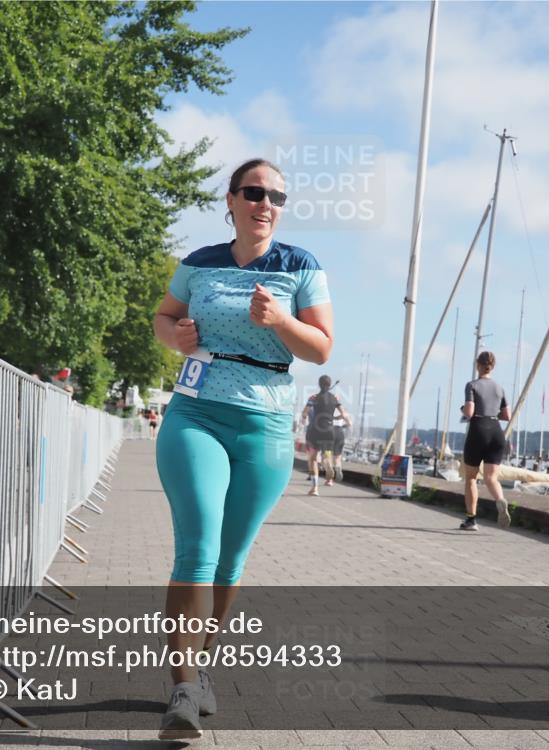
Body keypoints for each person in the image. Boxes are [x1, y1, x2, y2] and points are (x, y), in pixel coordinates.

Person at [151, 158, 333, 740]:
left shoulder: (300, 266)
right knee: (198, 544)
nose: (266, 203)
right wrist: (173, 335)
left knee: (230, 560)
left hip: (265, 424)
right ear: (230, 200)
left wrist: (281, 319)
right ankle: (182, 689)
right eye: (254, 192)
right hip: (195, 414)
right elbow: (163, 317)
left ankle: (200, 667)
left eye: (277, 196)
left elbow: (322, 349)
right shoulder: (198, 263)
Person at [460, 351, 512, 531]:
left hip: (478, 430)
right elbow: (507, 415)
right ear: (493, 366)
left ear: (477, 365)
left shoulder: (472, 385)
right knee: (491, 478)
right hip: (496, 431)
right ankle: (500, 500)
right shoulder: (500, 388)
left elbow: (469, 412)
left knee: (471, 478)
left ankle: (471, 520)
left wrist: (463, 409)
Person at [301, 376, 349, 495]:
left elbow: (305, 412)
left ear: (319, 384)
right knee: (327, 456)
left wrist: (304, 418)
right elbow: (344, 414)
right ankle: (328, 467)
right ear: (330, 384)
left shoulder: (314, 398)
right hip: (329, 430)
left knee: (313, 459)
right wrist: (333, 418)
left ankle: (315, 488)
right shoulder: (335, 398)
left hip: (315, 430)